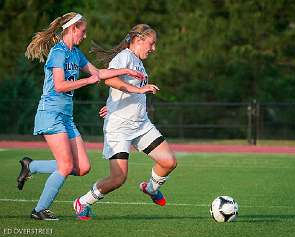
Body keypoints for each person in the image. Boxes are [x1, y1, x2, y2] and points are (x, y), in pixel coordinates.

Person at [17, 12, 144, 220]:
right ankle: (39, 210)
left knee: (82, 167)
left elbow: (98, 73)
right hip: (50, 114)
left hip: (66, 117)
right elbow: (59, 86)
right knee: (65, 166)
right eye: (82, 32)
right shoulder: (58, 52)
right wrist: (86, 81)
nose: (84, 36)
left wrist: (126, 71)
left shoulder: (75, 53)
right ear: (73, 29)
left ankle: (31, 166)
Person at [73, 24, 177, 220]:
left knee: (169, 162)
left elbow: (120, 91)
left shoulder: (138, 62)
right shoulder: (125, 57)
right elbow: (109, 81)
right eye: (151, 43)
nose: (153, 49)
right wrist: (139, 90)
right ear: (138, 40)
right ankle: (83, 202)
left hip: (141, 125)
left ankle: (151, 188)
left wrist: (111, 104)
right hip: (119, 128)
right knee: (118, 179)